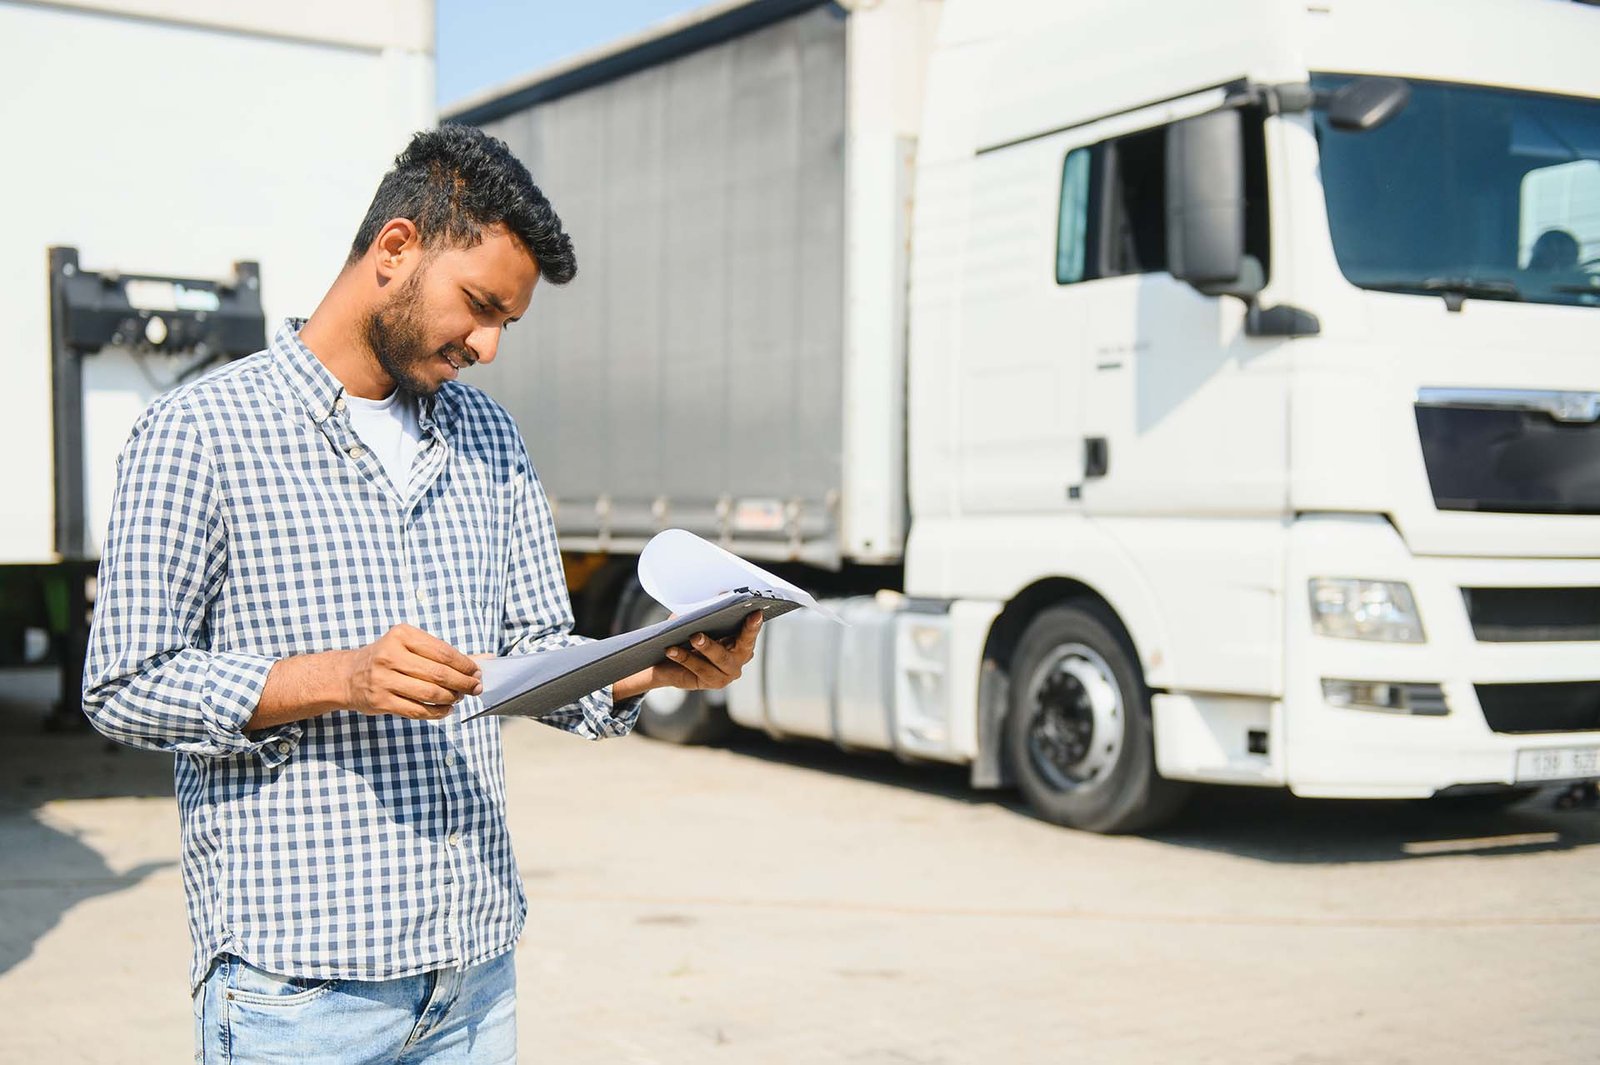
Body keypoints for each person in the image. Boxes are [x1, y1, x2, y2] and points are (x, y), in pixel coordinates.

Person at [81, 125, 761, 1064]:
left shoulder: (489, 437)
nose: (487, 345)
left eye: (506, 324)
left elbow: (532, 651)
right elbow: (122, 684)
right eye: (479, 306)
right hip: (301, 993)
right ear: (395, 250)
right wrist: (341, 677)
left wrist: (653, 668)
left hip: (475, 979)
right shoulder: (199, 432)